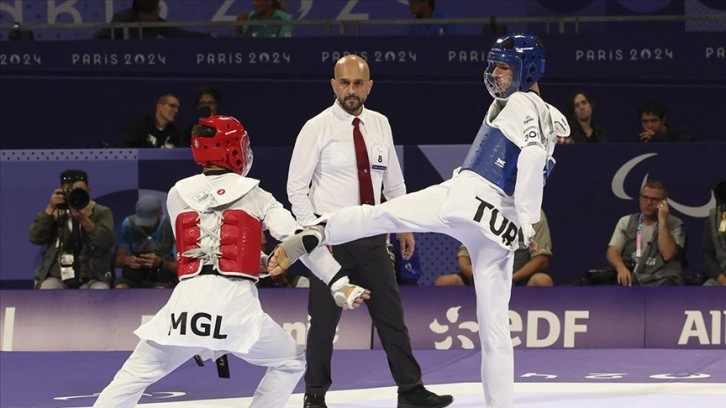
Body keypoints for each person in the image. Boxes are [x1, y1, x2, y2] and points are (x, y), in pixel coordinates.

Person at [271, 34, 569, 408]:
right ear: (334, 84)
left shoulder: (520, 103)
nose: (495, 74)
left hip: (468, 200)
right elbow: (547, 142)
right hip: (500, 230)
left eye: (504, 67)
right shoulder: (546, 113)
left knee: (380, 216)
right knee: (494, 330)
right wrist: (523, 220)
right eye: (494, 66)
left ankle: (320, 230)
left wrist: (529, 216)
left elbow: (531, 156)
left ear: (527, 71)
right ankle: (500, 404)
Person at [92, 115, 369, 407]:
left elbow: (201, 250)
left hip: (185, 305)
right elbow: (301, 241)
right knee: (290, 361)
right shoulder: (258, 196)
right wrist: (339, 282)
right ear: (234, 149)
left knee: (131, 378)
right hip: (235, 305)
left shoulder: (177, 194)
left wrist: (259, 263)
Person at [286, 54, 451, 408]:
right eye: (344, 83)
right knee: (323, 325)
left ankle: (411, 391)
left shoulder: (380, 124)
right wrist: (314, 235)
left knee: (392, 319)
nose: (351, 90)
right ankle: (314, 395)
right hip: (331, 243)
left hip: (374, 240)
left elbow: (394, 182)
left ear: (369, 86)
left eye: (358, 83)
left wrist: (404, 225)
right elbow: (296, 189)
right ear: (333, 85)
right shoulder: (316, 127)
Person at [29, 170, 115, 289]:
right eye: (70, 190)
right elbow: (35, 238)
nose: (75, 194)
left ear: (88, 190)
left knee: (100, 290)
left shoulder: (101, 212)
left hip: (92, 276)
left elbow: (106, 242)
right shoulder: (54, 212)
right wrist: (50, 208)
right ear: (62, 191)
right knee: (47, 288)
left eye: (79, 190)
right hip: (57, 276)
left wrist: (84, 220)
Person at [436, 210, 554, 287]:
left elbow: (541, 259)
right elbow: (464, 256)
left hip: (519, 278)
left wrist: (511, 278)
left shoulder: (533, 215)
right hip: (482, 279)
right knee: (445, 282)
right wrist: (474, 276)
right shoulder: (482, 213)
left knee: (542, 281)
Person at [606, 180, 686, 286]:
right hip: (633, 278)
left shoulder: (675, 224)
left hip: (662, 279)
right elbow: (613, 250)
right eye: (645, 197)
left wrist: (663, 221)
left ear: (664, 203)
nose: (648, 203)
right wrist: (621, 268)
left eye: (654, 199)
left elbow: (667, 254)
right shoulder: (626, 221)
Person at [114, 195, 177, 289]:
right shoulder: (128, 224)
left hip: (162, 278)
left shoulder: (171, 227)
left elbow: (181, 268)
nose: (145, 226)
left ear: (160, 215)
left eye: (149, 222)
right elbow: (117, 260)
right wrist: (127, 260)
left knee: (160, 289)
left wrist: (160, 263)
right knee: (120, 287)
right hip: (136, 276)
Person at [95, 0, 214, 39]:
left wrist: (208, 37)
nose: (150, 19)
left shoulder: (158, 22)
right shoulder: (121, 20)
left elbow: (181, 35)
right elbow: (98, 39)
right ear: (139, 12)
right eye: (146, 15)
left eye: (154, 12)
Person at [702, 180, 726, 286]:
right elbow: (708, 253)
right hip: (722, 277)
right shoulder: (714, 217)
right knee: (707, 288)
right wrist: (720, 277)